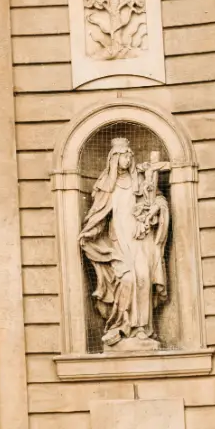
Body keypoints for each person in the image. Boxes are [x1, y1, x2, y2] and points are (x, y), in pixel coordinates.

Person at [79, 138, 170, 348]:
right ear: (113, 158)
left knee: (144, 277)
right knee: (127, 279)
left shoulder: (141, 179)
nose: (127, 158)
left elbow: (159, 200)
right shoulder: (106, 185)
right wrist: (89, 232)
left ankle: (142, 329)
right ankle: (120, 326)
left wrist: (155, 209)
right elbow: (97, 214)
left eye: (129, 154)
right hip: (117, 241)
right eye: (122, 155)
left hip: (140, 238)